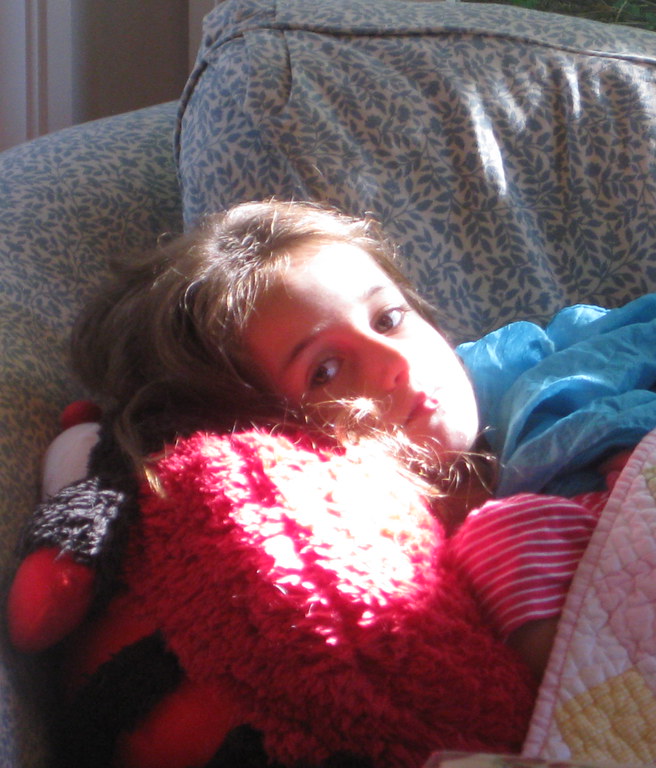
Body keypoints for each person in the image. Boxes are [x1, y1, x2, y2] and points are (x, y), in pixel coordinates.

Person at [67, 198, 612, 676]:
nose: (396, 362)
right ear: (271, 435)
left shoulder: (563, 384)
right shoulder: (387, 570)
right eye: (325, 371)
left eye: (389, 318)